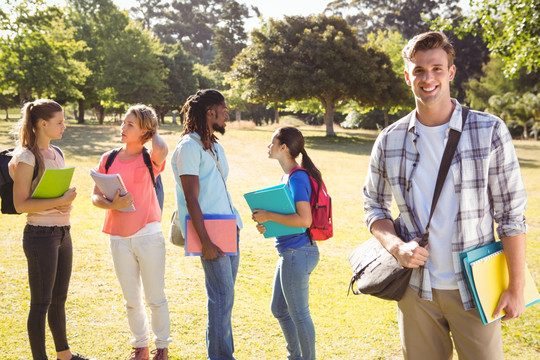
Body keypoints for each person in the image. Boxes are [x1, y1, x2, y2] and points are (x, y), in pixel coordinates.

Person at [363, 31, 528, 360]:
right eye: (420, 70)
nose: (428, 78)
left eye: (437, 68)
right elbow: (373, 207)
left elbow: (511, 216)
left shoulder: (489, 130)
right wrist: (397, 246)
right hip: (416, 291)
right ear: (407, 75)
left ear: (451, 72)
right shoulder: (388, 140)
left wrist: (516, 288)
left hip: (477, 289)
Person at [9, 99, 92, 360]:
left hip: (62, 233)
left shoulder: (56, 152)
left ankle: (64, 355)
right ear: (42, 124)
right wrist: (60, 200)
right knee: (41, 303)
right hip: (40, 236)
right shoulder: (26, 157)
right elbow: (20, 204)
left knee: (59, 299)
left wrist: (64, 200)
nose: (64, 126)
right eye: (59, 122)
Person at [91, 105, 170, 360]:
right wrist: (114, 204)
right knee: (131, 299)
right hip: (118, 236)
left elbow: (162, 149)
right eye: (123, 123)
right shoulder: (108, 158)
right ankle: (140, 346)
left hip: (148, 234)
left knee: (155, 297)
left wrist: (153, 129)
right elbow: (95, 197)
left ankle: (162, 347)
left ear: (145, 131)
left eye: (130, 125)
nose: (123, 128)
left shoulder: (150, 158)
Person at [171, 89, 243, 360]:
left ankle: (225, 353)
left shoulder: (213, 144)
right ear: (210, 112)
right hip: (209, 232)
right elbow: (191, 198)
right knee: (221, 297)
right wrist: (205, 242)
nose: (227, 116)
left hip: (229, 227)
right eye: (223, 110)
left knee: (226, 298)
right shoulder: (188, 147)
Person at [251, 127, 320, 360]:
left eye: (272, 142)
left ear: (283, 148)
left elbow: (304, 219)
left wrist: (269, 215)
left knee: (299, 314)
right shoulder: (287, 177)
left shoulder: (298, 177)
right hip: (290, 250)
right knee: (279, 309)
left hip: (298, 252)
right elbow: (291, 218)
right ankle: (295, 357)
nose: (268, 147)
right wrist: (267, 225)